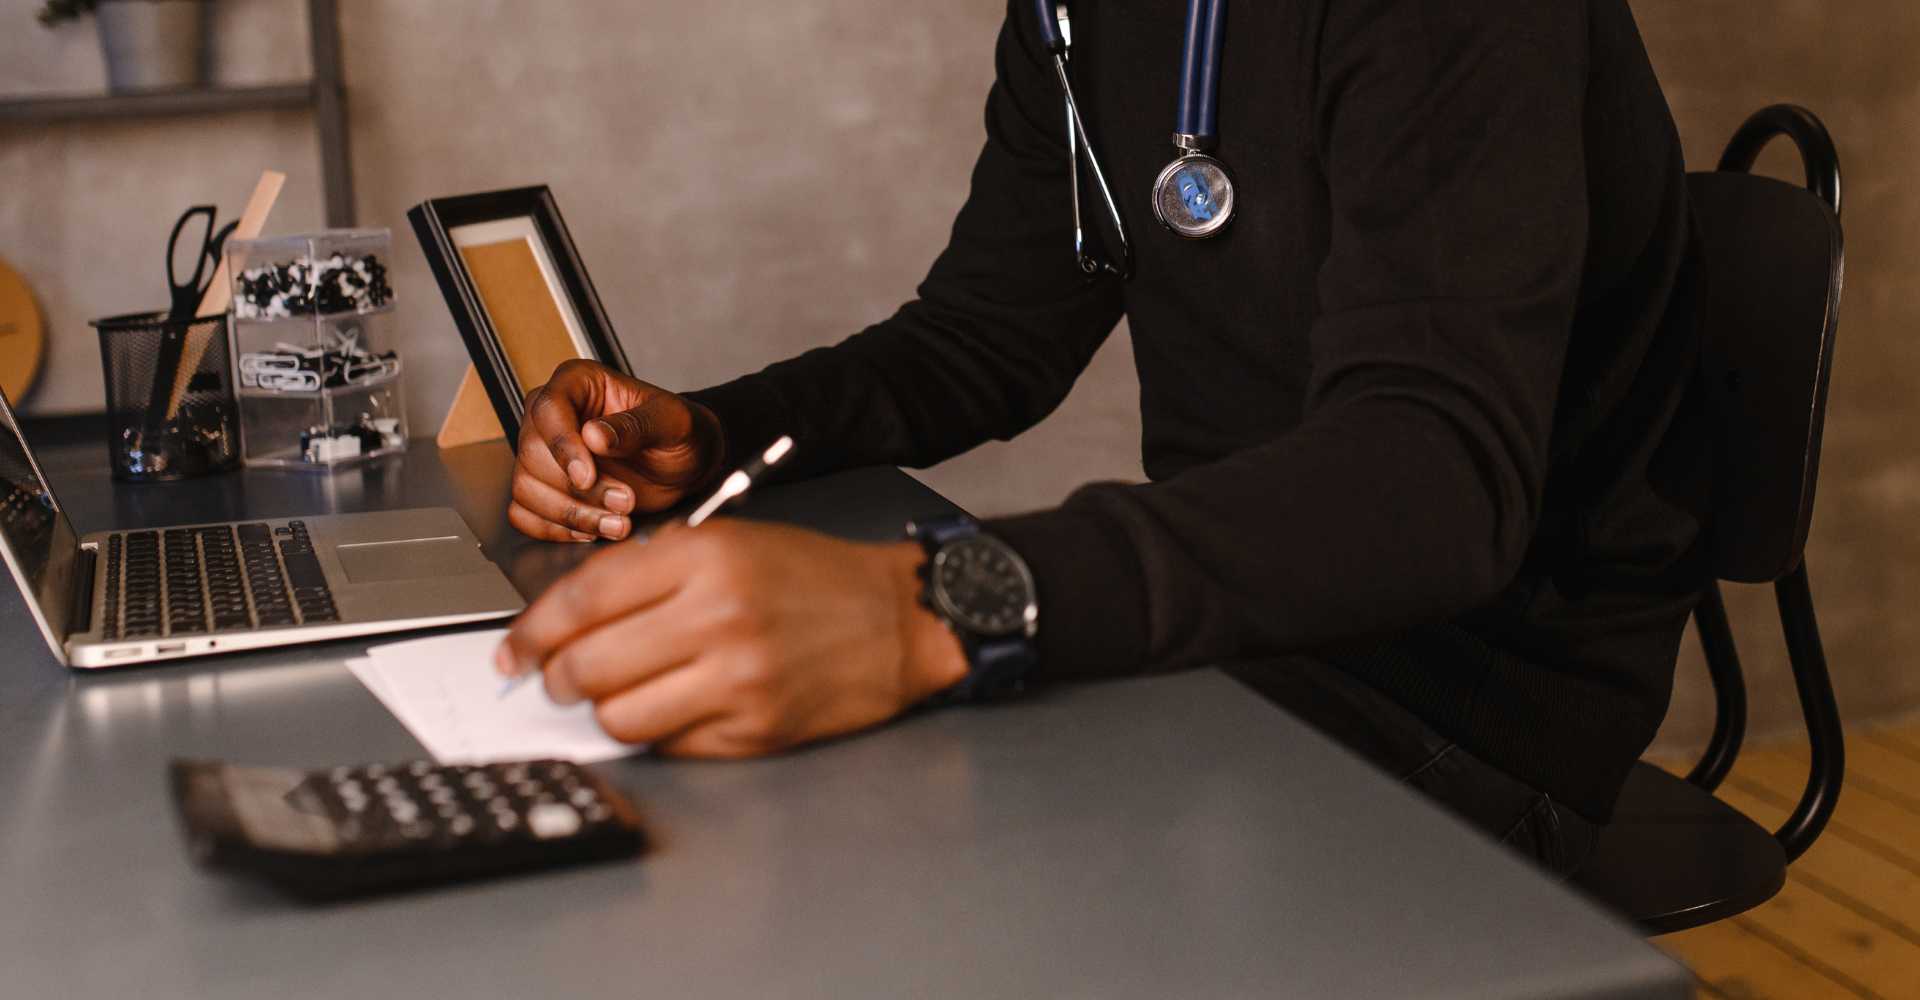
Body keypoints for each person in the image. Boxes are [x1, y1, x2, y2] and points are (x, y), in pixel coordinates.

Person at [492, 0, 1708, 877]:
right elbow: (985, 333)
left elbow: (1433, 476)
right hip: (1231, 643)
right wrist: (718, 434)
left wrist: (932, 606)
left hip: (1466, 707)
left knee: (876, 871)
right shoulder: (1070, 17)